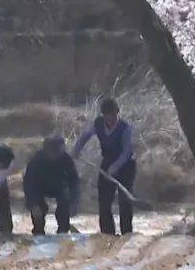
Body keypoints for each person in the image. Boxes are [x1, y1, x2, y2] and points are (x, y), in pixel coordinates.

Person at [72, 98, 135, 235]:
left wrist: (115, 167)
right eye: (107, 115)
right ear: (103, 115)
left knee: (124, 203)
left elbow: (127, 152)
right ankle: (108, 234)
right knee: (104, 202)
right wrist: (77, 149)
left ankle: (126, 234)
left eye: (113, 115)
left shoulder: (126, 128)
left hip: (126, 166)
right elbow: (85, 136)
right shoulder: (98, 124)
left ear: (117, 113)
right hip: (107, 162)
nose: (110, 118)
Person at [23, 135, 80, 235]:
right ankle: (38, 231)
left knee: (64, 203)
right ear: (47, 150)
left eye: (59, 151)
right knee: (39, 211)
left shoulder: (66, 159)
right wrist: (33, 205)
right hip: (39, 186)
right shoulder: (36, 160)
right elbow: (28, 184)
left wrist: (74, 203)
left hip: (59, 186)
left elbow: (74, 182)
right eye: (54, 151)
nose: (56, 154)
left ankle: (63, 230)